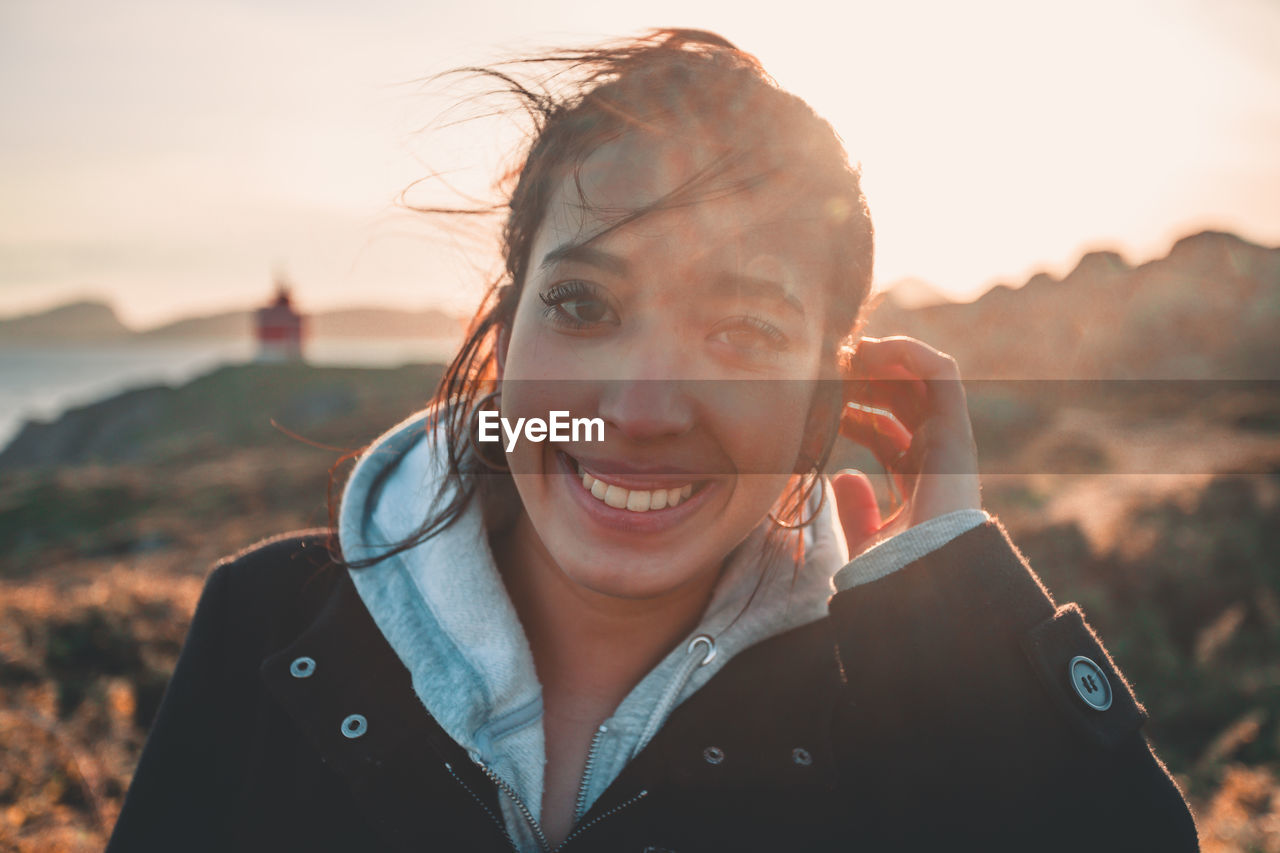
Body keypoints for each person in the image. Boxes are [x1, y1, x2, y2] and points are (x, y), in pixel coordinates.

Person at [106, 29, 1200, 852]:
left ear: (829, 396)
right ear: (500, 332)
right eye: (583, 307)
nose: (638, 410)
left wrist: (955, 611)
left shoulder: (901, 707)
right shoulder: (264, 625)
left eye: (744, 331)